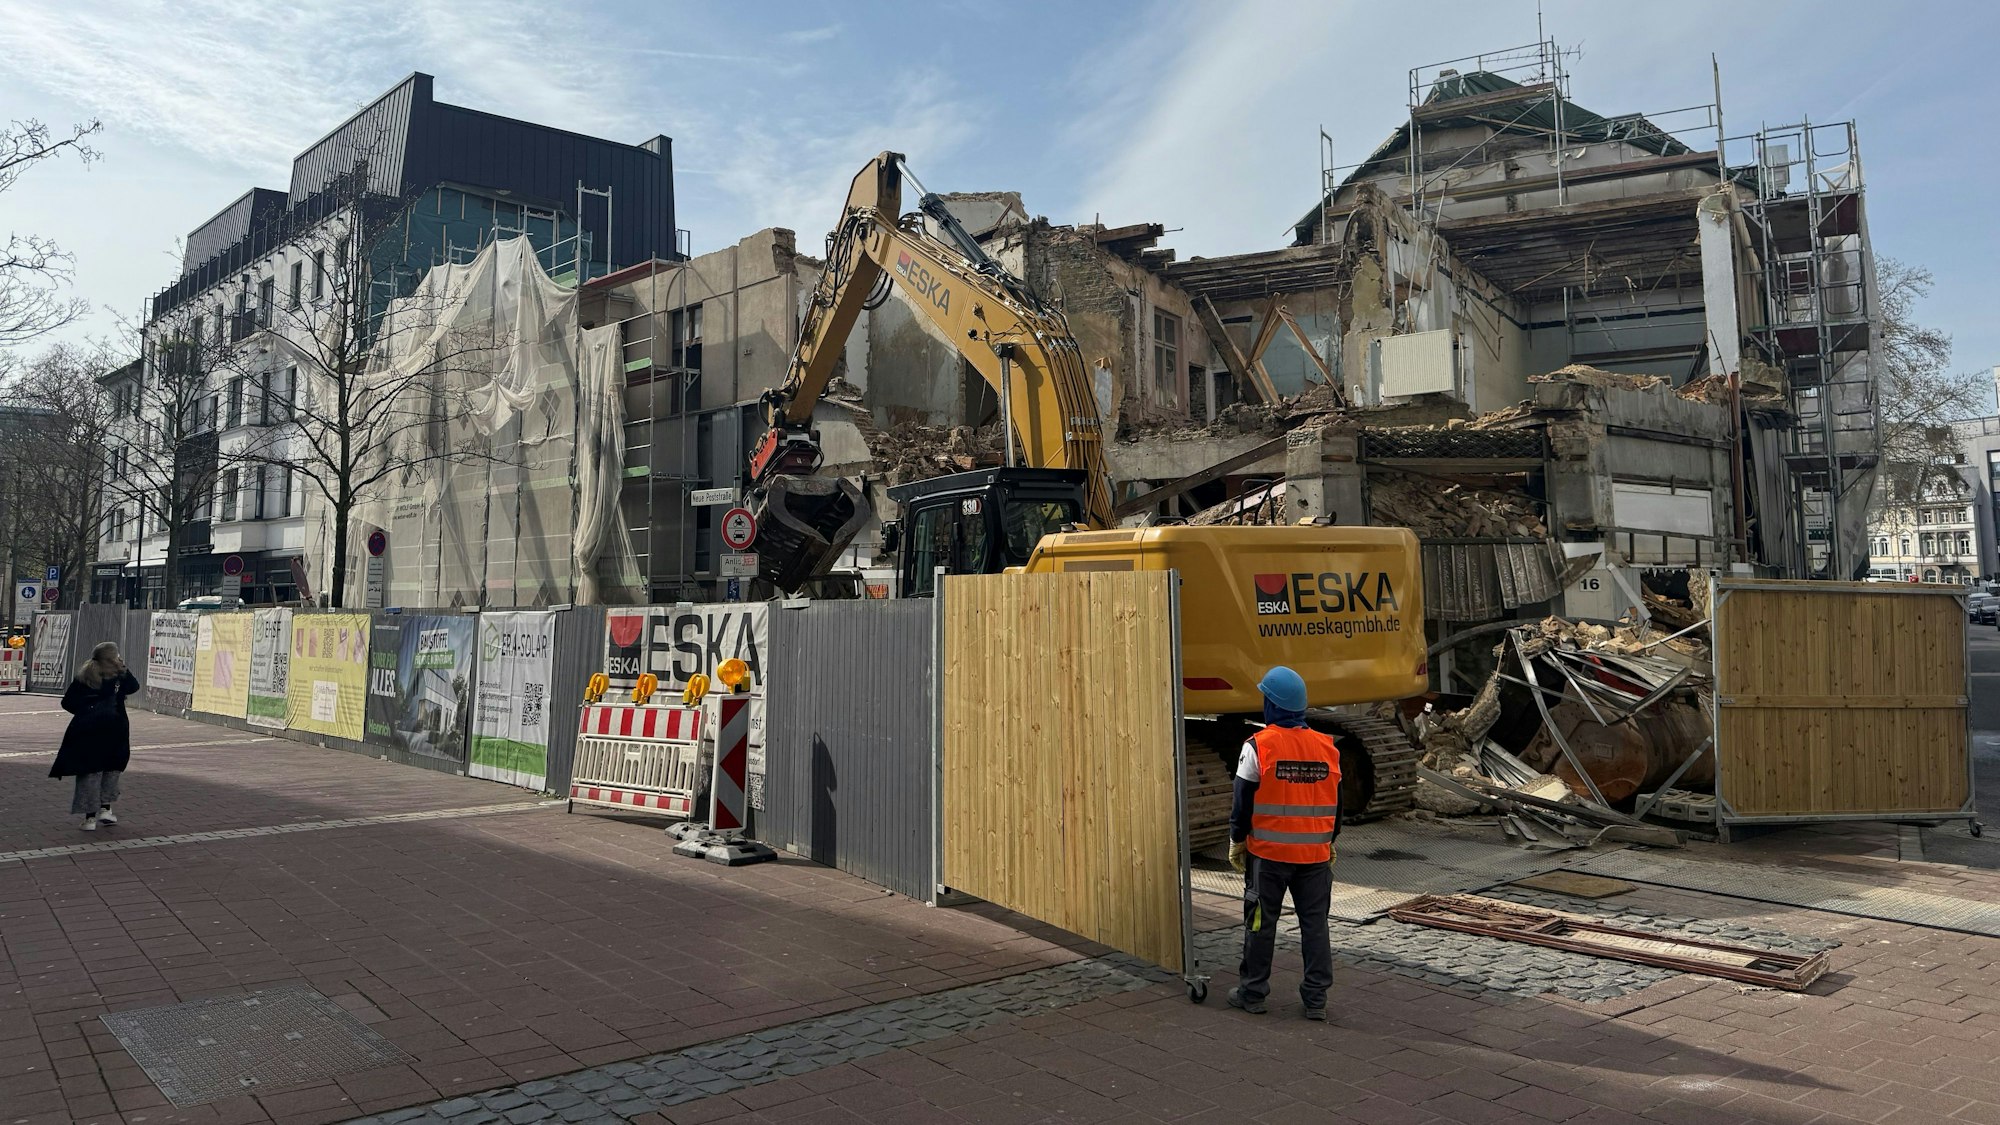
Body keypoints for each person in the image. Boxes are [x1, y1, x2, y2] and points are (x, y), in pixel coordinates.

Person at [1227, 665, 1340, 1020]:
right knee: (1315, 925)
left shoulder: (1258, 746)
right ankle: (1316, 999)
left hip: (1268, 858)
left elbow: (1242, 802)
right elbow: (1338, 805)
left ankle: (1253, 992)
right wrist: (1328, 840)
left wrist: (1236, 840)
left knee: (1260, 924)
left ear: (1271, 705)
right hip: (1315, 858)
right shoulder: (1328, 748)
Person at [49, 642, 142, 831]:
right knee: (111, 767)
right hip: (116, 727)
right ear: (113, 657)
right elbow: (134, 687)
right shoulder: (119, 675)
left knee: (90, 770)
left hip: (89, 729)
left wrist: (86, 711)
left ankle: (89, 819)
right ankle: (106, 809)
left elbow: (67, 702)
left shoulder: (85, 674)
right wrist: (124, 668)